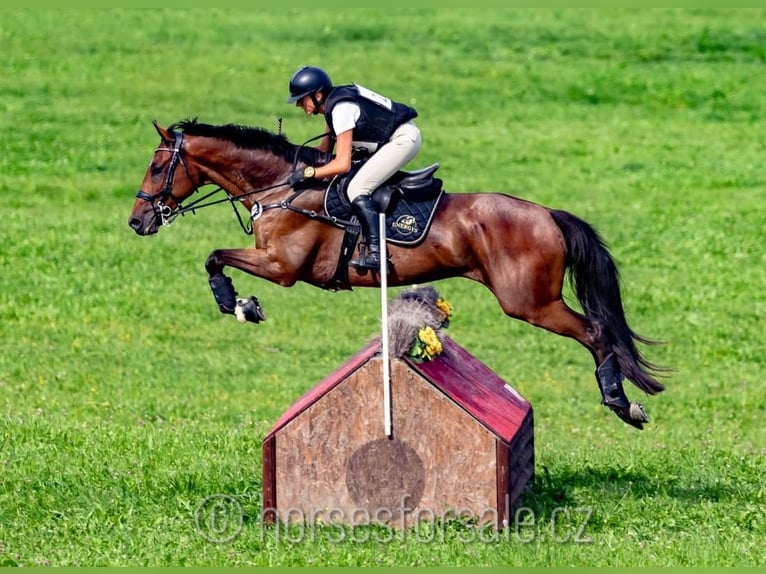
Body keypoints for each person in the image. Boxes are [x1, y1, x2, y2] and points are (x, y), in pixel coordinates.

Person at [285, 65, 422, 271]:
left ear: (318, 95)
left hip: (403, 140)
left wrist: (309, 173)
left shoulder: (341, 109)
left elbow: (341, 164)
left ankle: (378, 255)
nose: (299, 105)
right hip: (390, 140)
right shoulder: (332, 106)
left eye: (302, 99)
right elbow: (323, 151)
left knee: (357, 189)